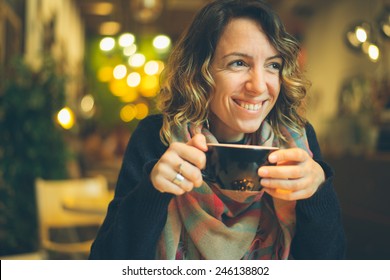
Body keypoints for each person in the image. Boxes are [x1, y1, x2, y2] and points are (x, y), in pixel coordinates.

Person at [89, 0, 346, 260]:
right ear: (200, 72)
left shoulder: (297, 141)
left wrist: (317, 192)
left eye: (273, 65)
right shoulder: (158, 137)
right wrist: (153, 191)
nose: (258, 86)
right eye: (238, 63)